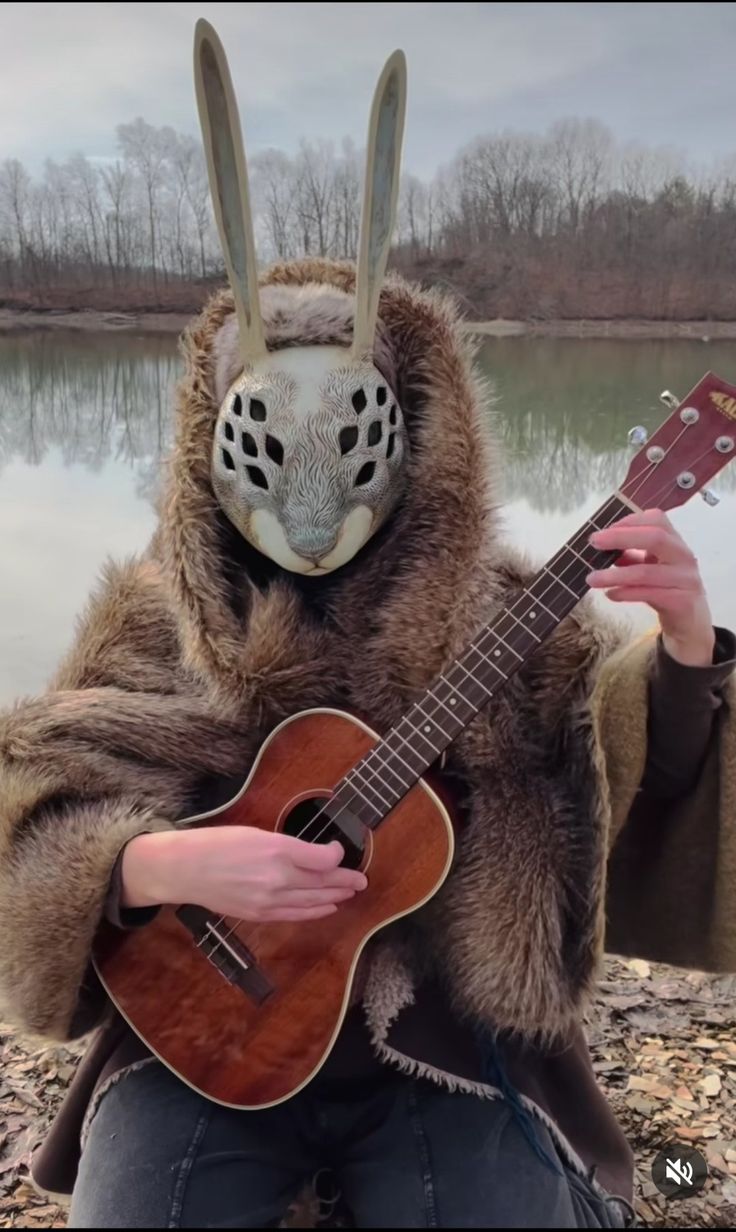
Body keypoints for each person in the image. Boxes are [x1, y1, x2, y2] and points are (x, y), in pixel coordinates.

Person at [1, 20, 734, 1231]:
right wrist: (155, 862)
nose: (307, 495)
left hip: (440, 1036)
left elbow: (633, 773)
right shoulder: (157, 616)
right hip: (200, 1036)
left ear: (412, 437)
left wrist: (692, 646)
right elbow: (39, 795)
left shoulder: (510, 609)